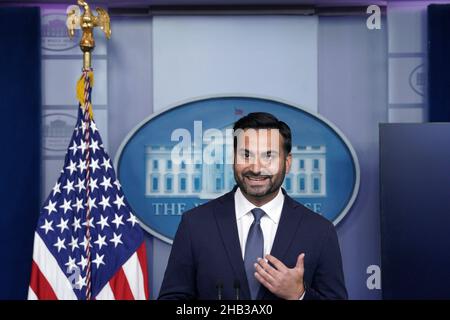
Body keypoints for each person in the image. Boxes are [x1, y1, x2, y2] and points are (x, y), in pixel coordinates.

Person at [158, 112, 347, 300]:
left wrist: (299, 296)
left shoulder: (319, 231)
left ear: (287, 163)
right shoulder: (195, 224)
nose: (256, 168)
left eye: (268, 156)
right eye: (246, 155)